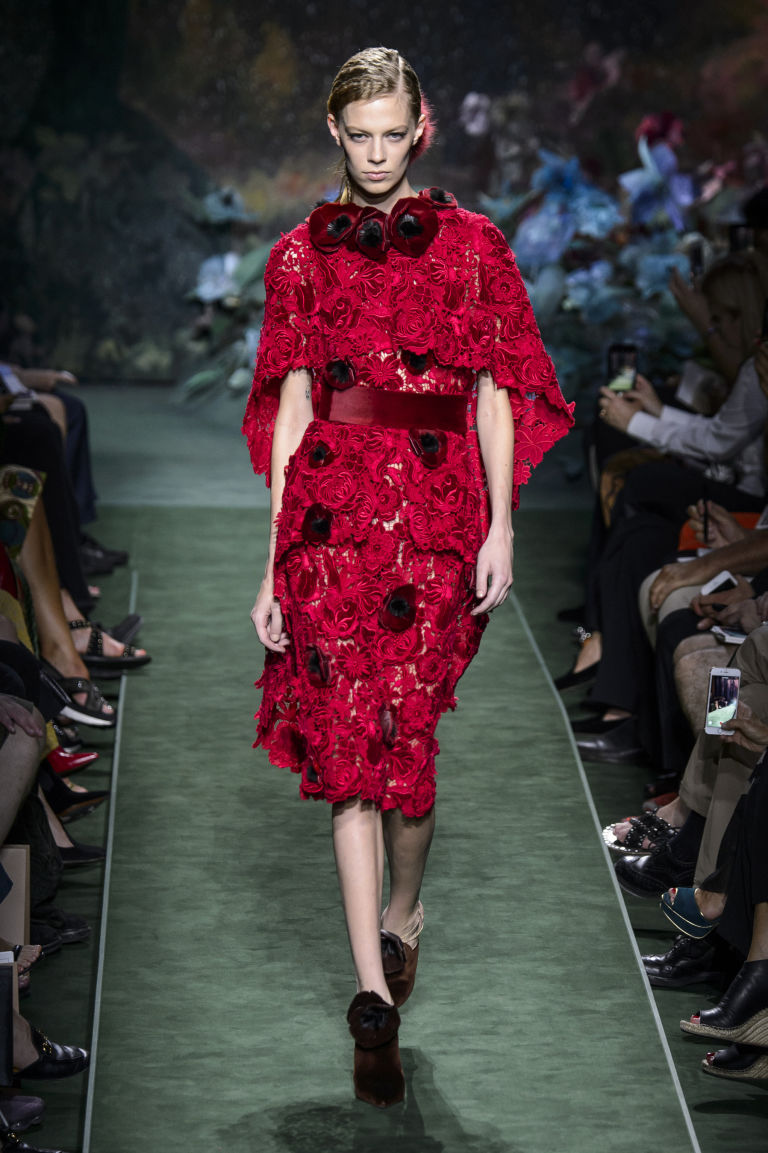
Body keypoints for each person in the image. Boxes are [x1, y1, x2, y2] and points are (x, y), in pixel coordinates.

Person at [243, 46, 572, 1107]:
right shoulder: (300, 257)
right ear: (334, 132)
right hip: (330, 517)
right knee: (348, 754)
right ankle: (371, 994)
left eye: (395, 134)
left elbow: (496, 391)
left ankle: (403, 911)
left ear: (420, 129)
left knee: (408, 748)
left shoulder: (474, 248)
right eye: (361, 135)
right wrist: (274, 562)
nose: (378, 154)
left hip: (436, 519)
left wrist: (502, 526)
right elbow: (293, 406)